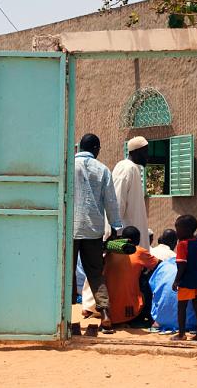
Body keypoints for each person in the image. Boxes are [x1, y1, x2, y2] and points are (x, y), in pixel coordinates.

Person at [72, 133, 122, 333]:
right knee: (95, 273)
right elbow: (111, 201)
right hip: (94, 230)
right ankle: (106, 315)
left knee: (67, 275)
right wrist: (116, 228)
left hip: (70, 228)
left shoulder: (69, 167)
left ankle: (67, 318)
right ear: (95, 148)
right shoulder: (102, 170)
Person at [105, 226, 160, 325]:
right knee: (147, 279)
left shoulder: (111, 251)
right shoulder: (139, 251)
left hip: (109, 312)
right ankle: (148, 315)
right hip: (129, 314)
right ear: (137, 240)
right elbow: (159, 265)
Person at [171, 215, 197, 341]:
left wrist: (176, 281)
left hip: (186, 281)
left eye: (178, 228)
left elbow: (181, 265)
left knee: (182, 307)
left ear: (186, 229)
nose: (176, 232)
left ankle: (181, 334)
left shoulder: (182, 245)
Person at [112, 136, 151, 250]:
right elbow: (118, 200)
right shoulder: (127, 168)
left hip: (132, 232)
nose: (147, 156)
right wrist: (115, 230)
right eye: (145, 152)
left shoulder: (132, 168)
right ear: (136, 152)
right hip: (125, 237)